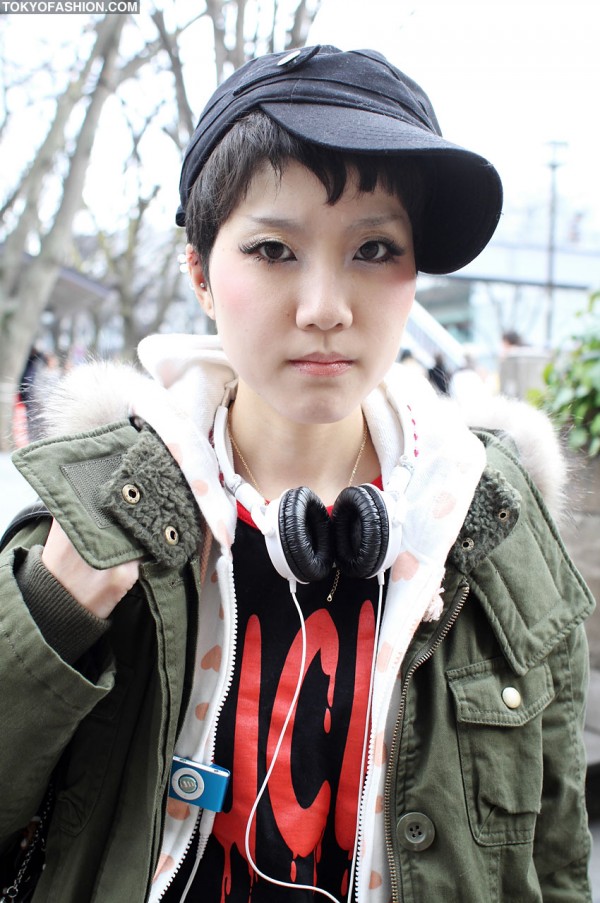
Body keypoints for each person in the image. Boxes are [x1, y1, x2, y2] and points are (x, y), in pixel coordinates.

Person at [0, 45, 594, 903]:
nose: (325, 306)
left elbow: (556, 858)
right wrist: (53, 617)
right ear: (200, 272)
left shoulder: (489, 526)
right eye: (275, 249)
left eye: (375, 248)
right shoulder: (97, 517)